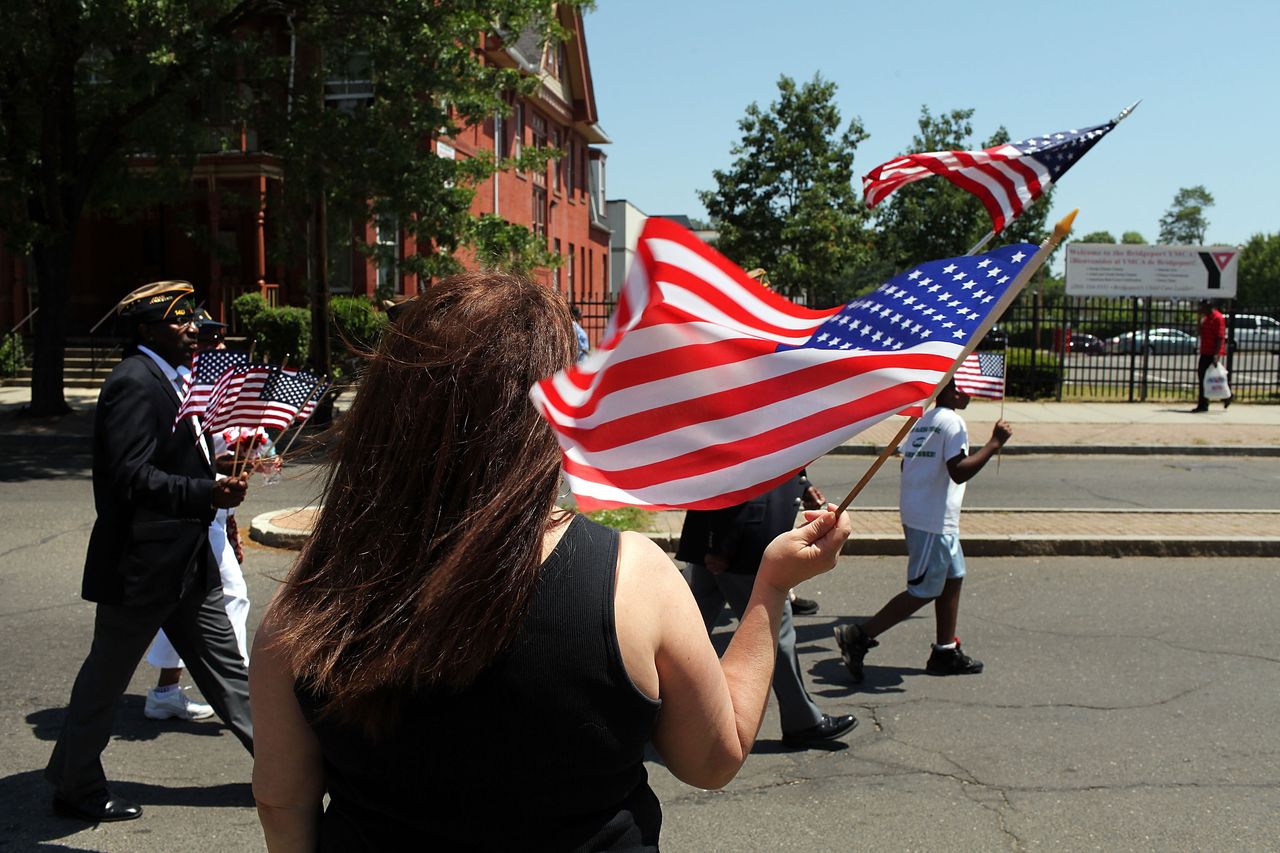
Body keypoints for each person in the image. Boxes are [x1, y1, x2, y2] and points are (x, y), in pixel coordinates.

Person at [249, 272, 852, 851]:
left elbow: (282, 800)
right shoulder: (633, 577)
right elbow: (713, 758)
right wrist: (771, 587)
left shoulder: (308, 602)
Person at [45, 281, 254, 824]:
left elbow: (178, 457)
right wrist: (205, 491)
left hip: (185, 560)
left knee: (231, 675)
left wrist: (217, 479)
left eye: (192, 319)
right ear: (146, 330)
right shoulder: (134, 383)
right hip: (142, 565)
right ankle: (77, 789)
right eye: (178, 321)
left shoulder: (173, 380)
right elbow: (130, 476)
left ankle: (291, 770)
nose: (193, 328)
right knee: (104, 682)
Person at [834, 379, 1012, 683]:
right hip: (933, 520)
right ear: (951, 390)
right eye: (964, 387)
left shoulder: (923, 419)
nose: (969, 393)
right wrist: (995, 443)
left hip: (920, 512)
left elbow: (907, 464)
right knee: (924, 589)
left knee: (953, 578)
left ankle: (945, 651)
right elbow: (958, 471)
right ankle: (859, 635)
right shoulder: (953, 421)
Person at [675, 473, 857, 748]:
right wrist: (721, 545)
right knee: (775, 635)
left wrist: (802, 484)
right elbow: (734, 477)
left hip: (731, 540)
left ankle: (646, 704)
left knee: (686, 629)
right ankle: (803, 721)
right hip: (739, 543)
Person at [142, 312, 250, 721]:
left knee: (202, 601)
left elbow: (214, 448)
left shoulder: (208, 386)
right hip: (190, 511)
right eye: (211, 340)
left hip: (211, 512)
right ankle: (233, 691)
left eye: (221, 340)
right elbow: (181, 455)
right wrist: (222, 463)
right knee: (220, 599)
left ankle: (172, 689)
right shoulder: (178, 387)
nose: (220, 347)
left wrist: (247, 452)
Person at [1193, 299, 1230, 412]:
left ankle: (1205, 404)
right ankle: (1204, 403)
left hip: (1212, 352)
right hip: (1205, 351)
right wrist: (1199, 319)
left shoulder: (1218, 318)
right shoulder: (1206, 318)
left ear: (1209, 307)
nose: (1201, 310)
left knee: (1213, 377)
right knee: (1204, 378)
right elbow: (1199, 332)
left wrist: (1216, 354)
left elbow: (1220, 337)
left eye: (1203, 307)